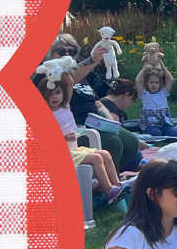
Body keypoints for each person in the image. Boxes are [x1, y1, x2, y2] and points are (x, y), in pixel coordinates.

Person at [46, 35, 143, 173]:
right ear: (51, 54)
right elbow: (69, 78)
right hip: (79, 128)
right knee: (113, 143)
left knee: (132, 142)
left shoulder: (83, 78)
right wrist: (95, 58)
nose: (67, 55)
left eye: (72, 52)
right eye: (61, 51)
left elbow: (97, 102)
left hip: (98, 121)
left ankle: (107, 179)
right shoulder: (51, 76)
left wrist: (111, 121)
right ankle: (105, 186)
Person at [36, 74, 128, 204]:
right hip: (61, 153)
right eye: (49, 94)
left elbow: (69, 83)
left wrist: (61, 70)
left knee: (105, 154)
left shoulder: (65, 106)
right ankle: (109, 192)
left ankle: (117, 185)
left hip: (74, 150)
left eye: (57, 93)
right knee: (96, 158)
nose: (54, 97)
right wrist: (63, 137)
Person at [136, 63, 177, 137]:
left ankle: (163, 130)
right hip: (150, 124)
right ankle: (151, 130)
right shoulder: (144, 94)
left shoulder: (163, 93)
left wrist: (162, 66)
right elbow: (137, 81)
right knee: (156, 134)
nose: (153, 84)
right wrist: (144, 68)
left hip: (163, 123)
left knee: (175, 133)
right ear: (147, 83)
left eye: (156, 82)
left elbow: (171, 79)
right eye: (151, 82)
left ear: (160, 83)